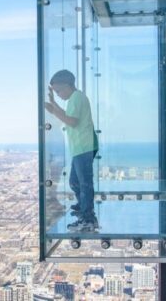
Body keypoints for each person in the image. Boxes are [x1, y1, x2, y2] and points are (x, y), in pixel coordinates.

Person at [44, 69, 98, 232]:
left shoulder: (76, 98)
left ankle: (88, 219)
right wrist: (53, 105)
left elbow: (71, 121)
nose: (59, 94)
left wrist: (54, 110)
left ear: (67, 86)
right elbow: (68, 116)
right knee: (75, 181)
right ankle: (83, 206)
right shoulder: (76, 97)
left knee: (84, 183)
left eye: (59, 91)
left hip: (83, 146)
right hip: (82, 147)